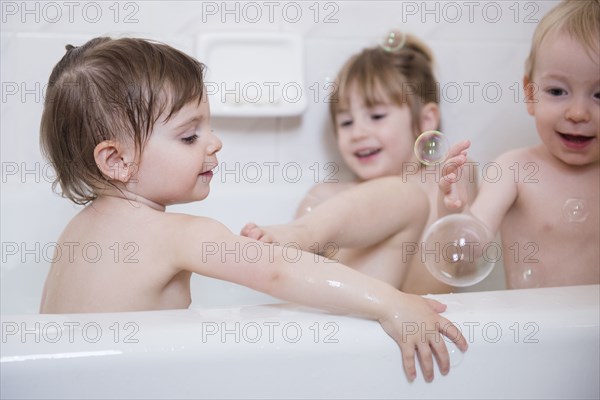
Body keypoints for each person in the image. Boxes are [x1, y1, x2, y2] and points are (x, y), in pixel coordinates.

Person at [38, 36, 467, 382]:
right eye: (190, 137)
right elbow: (279, 271)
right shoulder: (177, 234)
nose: (214, 143)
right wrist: (390, 303)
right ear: (116, 160)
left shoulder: (74, 236)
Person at [242, 33, 476, 294]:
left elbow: (464, 258)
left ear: (426, 120)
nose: (358, 133)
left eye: (376, 115)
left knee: (408, 196)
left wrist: (451, 211)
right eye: (346, 122)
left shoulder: (446, 182)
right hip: (347, 320)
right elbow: (297, 287)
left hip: (420, 321)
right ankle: (303, 233)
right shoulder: (324, 198)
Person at [439, 0, 599, 289]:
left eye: (599, 95)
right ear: (530, 94)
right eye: (557, 90)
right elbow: (464, 256)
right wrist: (455, 211)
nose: (578, 113)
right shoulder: (514, 169)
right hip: (533, 329)